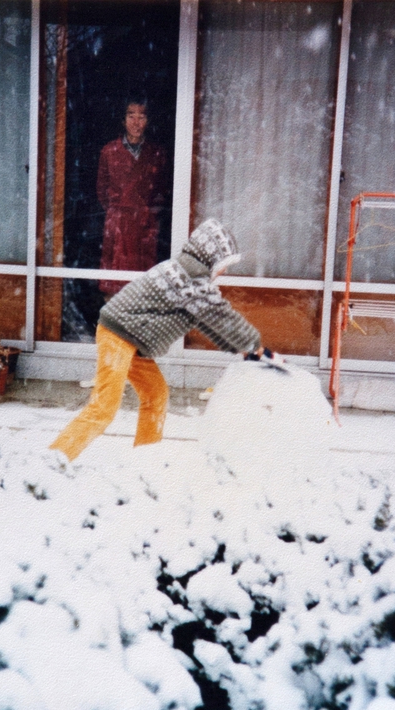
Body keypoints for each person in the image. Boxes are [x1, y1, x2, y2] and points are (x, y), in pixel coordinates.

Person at [49, 219, 263, 462]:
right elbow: (221, 316)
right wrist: (256, 348)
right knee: (103, 408)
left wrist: (243, 347)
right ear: (211, 257)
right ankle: (55, 458)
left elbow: (210, 318)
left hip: (131, 339)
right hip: (118, 336)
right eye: (224, 265)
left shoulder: (187, 273)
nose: (224, 271)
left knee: (156, 394)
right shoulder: (190, 278)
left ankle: (146, 457)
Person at [96, 96, 168, 297]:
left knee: (143, 286)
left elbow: (162, 192)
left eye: (141, 117)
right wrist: (117, 213)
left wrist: (148, 215)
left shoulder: (156, 154)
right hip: (118, 225)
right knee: (114, 284)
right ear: (122, 120)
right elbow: (101, 191)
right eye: (131, 116)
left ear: (148, 121)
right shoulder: (109, 151)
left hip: (145, 226)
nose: (136, 122)